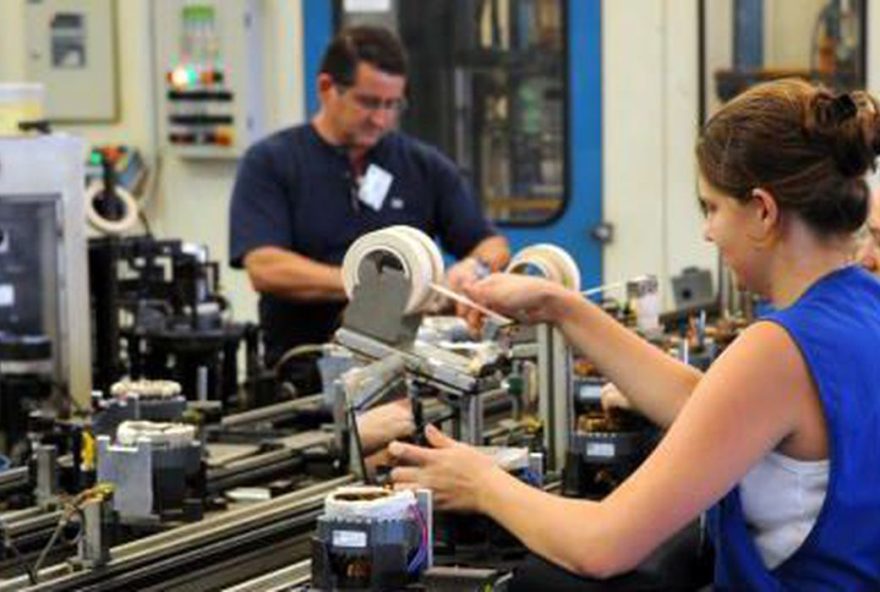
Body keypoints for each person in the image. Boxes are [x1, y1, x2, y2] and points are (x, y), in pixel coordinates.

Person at [389, 78, 880, 590]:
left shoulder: (779, 347)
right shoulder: (863, 307)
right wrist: (563, 307)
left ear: (762, 210)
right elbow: (713, 407)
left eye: (712, 208)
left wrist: (481, 483)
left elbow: (601, 545)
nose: (708, 232)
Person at [228, 25, 509, 380]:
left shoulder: (423, 166)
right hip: (304, 374)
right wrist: (368, 286)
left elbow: (492, 244)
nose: (381, 118)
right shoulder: (272, 162)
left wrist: (476, 269)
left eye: (392, 104)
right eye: (368, 102)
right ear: (327, 88)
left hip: (410, 370)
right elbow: (266, 267)